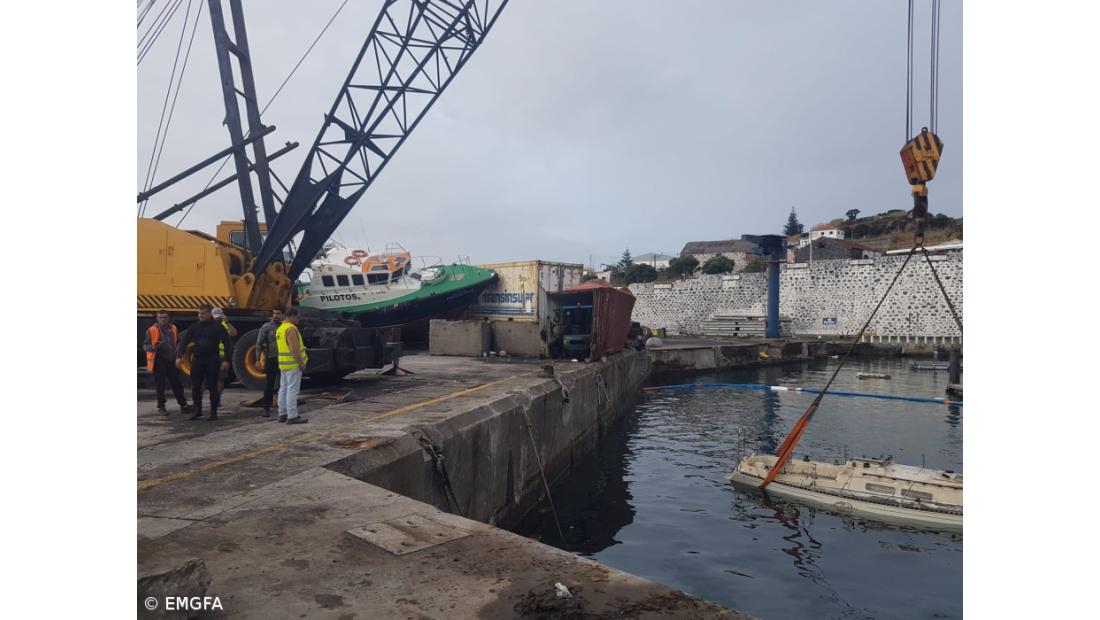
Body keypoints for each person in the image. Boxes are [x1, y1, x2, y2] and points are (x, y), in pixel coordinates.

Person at [177, 304, 233, 421]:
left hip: (213, 360)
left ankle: (213, 412)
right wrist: (179, 356)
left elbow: (227, 344)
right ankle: (198, 410)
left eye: (203, 313)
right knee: (195, 386)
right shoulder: (194, 327)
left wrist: (226, 360)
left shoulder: (218, 327)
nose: (201, 316)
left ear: (210, 313)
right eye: (199, 313)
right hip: (198, 360)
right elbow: (184, 342)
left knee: (213, 386)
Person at [142, 311, 192, 415]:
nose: (163, 319)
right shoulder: (152, 330)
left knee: (177, 383)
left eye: (165, 317)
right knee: (160, 385)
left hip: (171, 359)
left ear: (168, 318)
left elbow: (178, 341)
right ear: (157, 318)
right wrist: (155, 347)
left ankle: (183, 405)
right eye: (160, 317)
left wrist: (178, 351)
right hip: (159, 360)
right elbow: (145, 346)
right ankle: (161, 407)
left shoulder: (173, 328)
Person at [275, 308, 309, 425]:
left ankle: (282, 414)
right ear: (293, 316)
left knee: (283, 389)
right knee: (292, 390)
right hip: (293, 364)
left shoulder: (280, 329)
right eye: (298, 317)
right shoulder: (291, 329)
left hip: (283, 364)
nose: (299, 319)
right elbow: (294, 349)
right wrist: (301, 363)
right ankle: (292, 416)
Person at [255, 306, 285, 417]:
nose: (276, 316)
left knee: (285, 384)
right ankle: (266, 408)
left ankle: (284, 408)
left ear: (283, 315)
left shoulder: (286, 327)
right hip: (271, 359)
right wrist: (257, 359)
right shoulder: (266, 327)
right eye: (274, 313)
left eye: (278, 313)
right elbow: (259, 343)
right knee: (269, 384)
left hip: (284, 359)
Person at [212, 307, 237, 395]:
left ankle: (217, 399)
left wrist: (227, 322)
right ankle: (198, 400)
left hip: (221, 357)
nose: (217, 318)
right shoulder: (208, 325)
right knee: (205, 379)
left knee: (220, 378)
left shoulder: (225, 324)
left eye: (219, 317)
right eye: (216, 317)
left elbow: (233, 333)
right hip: (210, 355)